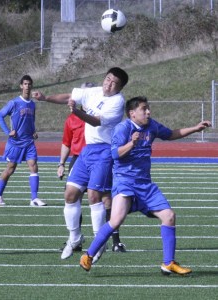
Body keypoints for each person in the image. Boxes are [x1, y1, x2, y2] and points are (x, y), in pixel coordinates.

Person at [80, 96, 212, 275]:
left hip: (145, 184)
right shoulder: (123, 128)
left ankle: (168, 263)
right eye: (144, 109)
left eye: (148, 108)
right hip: (124, 181)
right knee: (116, 220)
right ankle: (88, 255)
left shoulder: (152, 126)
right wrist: (132, 143)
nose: (148, 112)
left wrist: (195, 128)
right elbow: (115, 154)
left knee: (169, 216)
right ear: (132, 113)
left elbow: (171, 134)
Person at [32, 67, 129, 261]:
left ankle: (98, 242)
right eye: (107, 79)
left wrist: (76, 111)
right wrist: (45, 98)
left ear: (119, 88)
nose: (108, 84)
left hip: (104, 151)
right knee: (70, 194)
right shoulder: (93, 92)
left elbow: (95, 121)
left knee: (94, 195)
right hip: (87, 150)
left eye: (114, 83)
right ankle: (75, 238)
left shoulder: (117, 102)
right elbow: (70, 95)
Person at [57, 82, 126, 254]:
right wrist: (61, 163)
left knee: (101, 197)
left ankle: (110, 241)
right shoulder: (72, 119)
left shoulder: (103, 110)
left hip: (101, 156)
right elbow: (66, 142)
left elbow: (102, 124)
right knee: (71, 195)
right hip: (80, 157)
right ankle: (74, 239)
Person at [0, 75, 46, 207]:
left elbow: (31, 119)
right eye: (25, 84)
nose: (27, 86)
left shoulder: (32, 104)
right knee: (10, 169)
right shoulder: (14, 103)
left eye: (29, 84)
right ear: (21, 86)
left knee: (33, 166)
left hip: (29, 142)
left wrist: (33, 131)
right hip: (15, 143)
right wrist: (7, 132)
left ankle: (34, 198)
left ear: (32, 86)